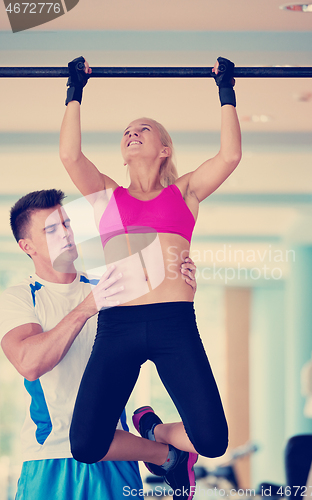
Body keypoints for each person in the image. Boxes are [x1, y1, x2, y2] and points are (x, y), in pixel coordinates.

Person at [59, 55, 241, 500]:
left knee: (214, 441)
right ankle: (165, 456)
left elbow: (231, 155)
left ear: (165, 149)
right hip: (117, 326)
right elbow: (69, 154)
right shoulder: (106, 195)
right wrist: (75, 89)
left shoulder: (186, 192)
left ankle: (154, 427)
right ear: (121, 153)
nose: (131, 132)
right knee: (85, 445)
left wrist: (226, 91)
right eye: (126, 132)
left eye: (144, 129)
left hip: (174, 325)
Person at [0, 189, 198, 500]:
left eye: (65, 223)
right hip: (48, 458)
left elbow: (162, 336)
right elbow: (29, 363)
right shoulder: (20, 297)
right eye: (51, 229)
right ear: (27, 246)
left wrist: (183, 291)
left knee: (209, 438)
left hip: (112, 454)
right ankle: (163, 452)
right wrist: (87, 307)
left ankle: (162, 447)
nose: (66, 233)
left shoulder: (111, 287)